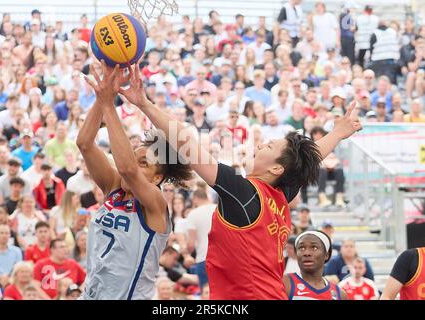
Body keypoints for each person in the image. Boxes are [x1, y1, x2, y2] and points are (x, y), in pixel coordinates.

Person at [122, 63, 362, 300]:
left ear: (277, 167)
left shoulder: (244, 193)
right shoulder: (279, 193)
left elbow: (188, 145)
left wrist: (144, 103)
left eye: (268, 146)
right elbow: (308, 159)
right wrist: (338, 134)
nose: (259, 145)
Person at [78, 62, 192, 300]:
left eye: (145, 164)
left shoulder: (156, 203)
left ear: (158, 177)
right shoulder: (114, 188)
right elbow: (85, 143)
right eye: (135, 156)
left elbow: (128, 168)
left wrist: (110, 105)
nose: (133, 165)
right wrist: (102, 96)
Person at [283, 231, 347, 300]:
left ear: (326, 255)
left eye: (314, 248)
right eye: (301, 248)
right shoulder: (285, 283)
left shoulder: (339, 294)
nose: (306, 253)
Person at [186, 189, 215, 289]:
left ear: (195, 199)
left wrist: (186, 253)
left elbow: (191, 244)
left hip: (204, 257)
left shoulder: (193, 214)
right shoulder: (218, 209)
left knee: (206, 292)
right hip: (221, 257)